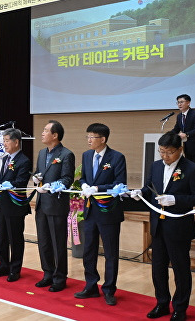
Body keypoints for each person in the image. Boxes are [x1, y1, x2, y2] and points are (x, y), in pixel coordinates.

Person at [131, 132, 195, 321]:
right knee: (158, 267)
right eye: (161, 152)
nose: (164, 156)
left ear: (180, 150)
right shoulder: (156, 166)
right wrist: (140, 192)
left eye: (169, 153)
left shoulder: (192, 168)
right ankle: (162, 303)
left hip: (178, 226)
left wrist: (175, 199)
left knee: (180, 269)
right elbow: (149, 187)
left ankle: (180, 308)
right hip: (158, 225)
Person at [75, 123, 127, 306]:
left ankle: (109, 289)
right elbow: (83, 178)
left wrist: (97, 188)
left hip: (108, 212)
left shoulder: (117, 157)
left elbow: (120, 183)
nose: (88, 140)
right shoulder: (87, 155)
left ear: (102, 139)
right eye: (87, 136)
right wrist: (83, 185)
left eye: (92, 137)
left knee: (111, 253)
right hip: (90, 211)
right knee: (89, 250)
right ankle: (90, 286)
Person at [33, 120, 75, 292]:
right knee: (43, 242)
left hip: (56, 204)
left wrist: (51, 186)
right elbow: (39, 172)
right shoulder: (42, 153)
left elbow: (67, 179)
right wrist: (36, 178)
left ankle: (60, 277)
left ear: (55, 135)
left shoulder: (66, 154)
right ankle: (47, 273)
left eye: (45, 130)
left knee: (58, 243)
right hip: (42, 203)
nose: (42, 133)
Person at [0, 128, 32, 282]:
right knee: (2, 238)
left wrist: (9, 185)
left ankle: (15, 269)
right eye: (3, 140)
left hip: (15, 206)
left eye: (7, 140)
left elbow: (21, 182)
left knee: (15, 239)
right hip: (2, 205)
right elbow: (2, 180)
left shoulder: (24, 161)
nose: (4, 143)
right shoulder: (6, 159)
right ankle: (3, 266)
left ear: (16, 142)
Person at [170, 94, 195, 179]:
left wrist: (186, 134)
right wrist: (168, 135)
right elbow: (176, 129)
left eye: (181, 102)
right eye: (178, 102)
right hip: (187, 147)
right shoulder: (179, 116)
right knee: (189, 170)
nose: (179, 104)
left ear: (188, 103)